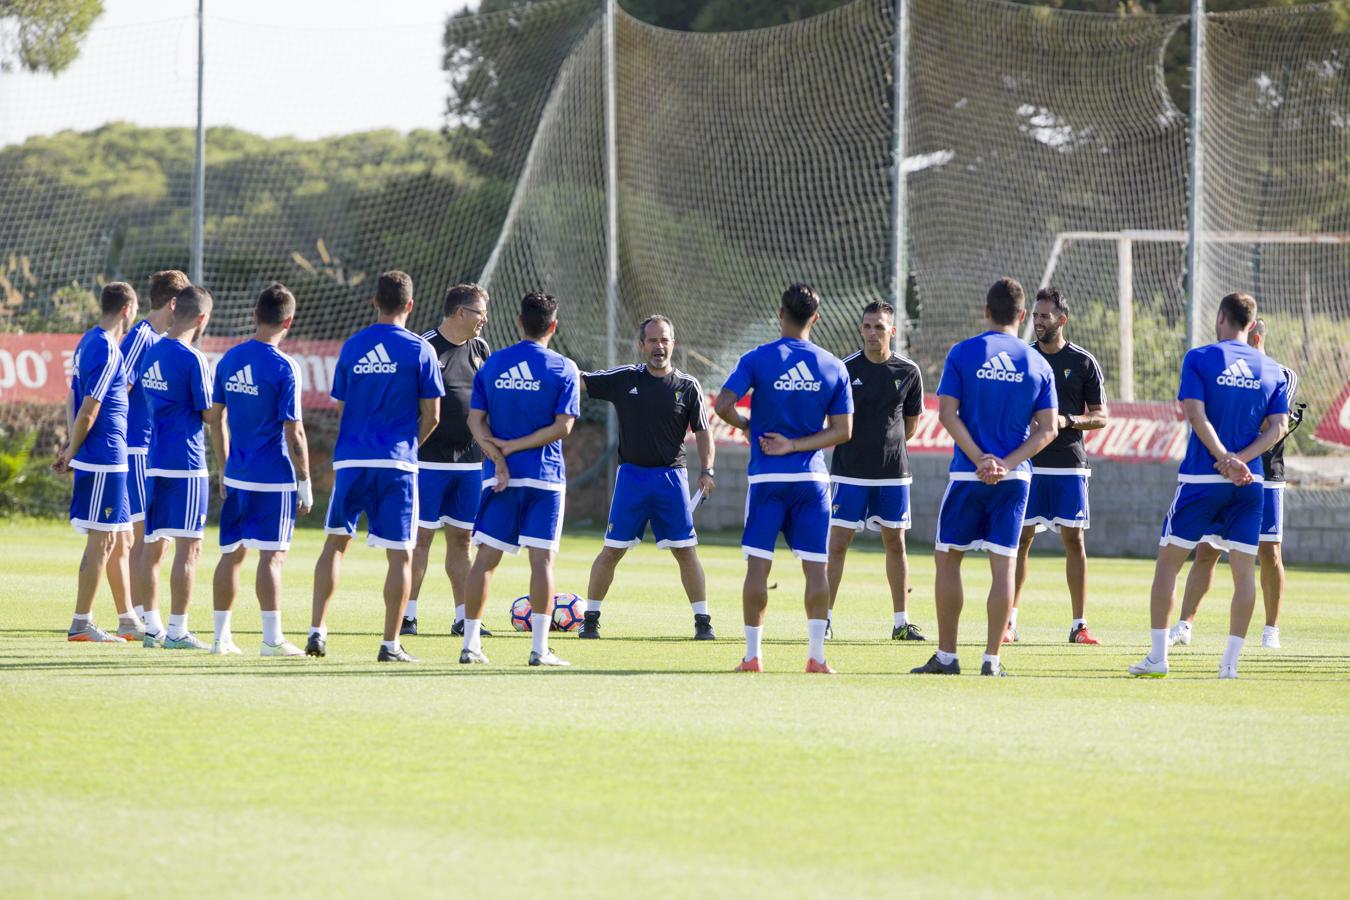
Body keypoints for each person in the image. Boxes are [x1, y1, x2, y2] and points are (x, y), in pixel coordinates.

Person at [1129, 292, 1288, 680]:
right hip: (1250, 482)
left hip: (1203, 477)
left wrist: (1223, 457)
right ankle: (1229, 664)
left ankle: (1158, 657)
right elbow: (1279, 428)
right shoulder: (1271, 369)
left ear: (1220, 317)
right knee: (1244, 572)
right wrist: (1242, 460)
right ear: (1252, 325)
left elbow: (1195, 415)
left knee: (1168, 563)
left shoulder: (1198, 358)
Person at [913, 277, 1058, 677]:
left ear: (986, 311)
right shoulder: (1038, 363)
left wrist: (980, 460)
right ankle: (992, 661)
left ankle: (946, 656)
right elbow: (1048, 430)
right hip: (1014, 480)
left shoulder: (964, 353)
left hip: (967, 474)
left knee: (948, 560)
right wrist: (1006, 464)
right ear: (1023, 316)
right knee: (1004, 566)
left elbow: (946, 414)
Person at [714, 283, 853, 674]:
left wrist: (747, 426)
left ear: (780, 314)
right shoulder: (832, 365)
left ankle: (753, 656)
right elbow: (843, 431)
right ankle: (817, 657)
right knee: (816, 568)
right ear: (816, 318)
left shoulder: (758, 358)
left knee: (758, 568)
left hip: (766, 480)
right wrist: (796, 446)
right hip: (812, 481)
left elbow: (723, 404)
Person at [309, 271, 444, 663]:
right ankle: (390, 644)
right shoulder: (420, 349)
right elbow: (432, 415)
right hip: (397, 463)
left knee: (335, 543)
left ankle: (317, 631)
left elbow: (341, 405)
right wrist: (406, 446)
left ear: (375, 302)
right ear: (410, 305)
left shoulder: (353, 346)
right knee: (401, 553)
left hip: (351, 459)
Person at [458, 291, 580, 668]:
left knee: (485, 560)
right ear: (553, 325)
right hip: (544, 478)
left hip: (498, 478)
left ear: (518, 321)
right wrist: (513, 448)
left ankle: (470, 645)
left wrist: (498, 454)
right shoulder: (564, 368)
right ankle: (539, 649)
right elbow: (564, 427)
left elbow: (474, 421)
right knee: (542, 562)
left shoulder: (493, 364)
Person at [1168, 317, 1303, 651]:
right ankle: (1184, 625)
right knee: (1207, 550)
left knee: (1269, 552)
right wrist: (1228, 459)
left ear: (1255, 337)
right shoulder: (1215, 366)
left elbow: (1268, 425)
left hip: (1264, 475)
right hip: (1222, 469)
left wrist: (1236, 458)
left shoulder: (1281, 374)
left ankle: (1271, 629)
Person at [580, 314, 716, 640]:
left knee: (686, 551)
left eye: (665, 339)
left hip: (672, 479)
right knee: (612, 550)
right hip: (632, 480)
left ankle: (703, 623)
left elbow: (703, 431)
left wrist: (707, 470)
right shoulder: (625, 378)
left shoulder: (687, 386)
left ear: (673, 343)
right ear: (641, 345)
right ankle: (590, 620)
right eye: (653, 340)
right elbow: (580, 379)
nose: (659, 346)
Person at [208, 283, 313, 657]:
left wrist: (223, 467)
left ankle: (220, 638)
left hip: (236, 474)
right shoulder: (286, 366)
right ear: (289, 320)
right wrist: (305, 481)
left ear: (255, 316)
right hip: (273, 477)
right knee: (272, 556)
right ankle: (271, 640)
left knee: (231, 553)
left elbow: (215, 418)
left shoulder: (229, 359)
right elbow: (294, 431)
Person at [1010, 287, 1108, 645]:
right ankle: (1009, 622)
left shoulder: (1083, 362)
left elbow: (1100, 418)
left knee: (1073, 541)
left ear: (1061, 320)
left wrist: (1066, 421)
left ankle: (1079, 624)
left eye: (1045, 316)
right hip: (1028, 464)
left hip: (1068, 465)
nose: (1038, 321)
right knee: (1020, 541)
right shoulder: (1023, 358)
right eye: (1035, 315)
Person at [827, 301, 925, 641]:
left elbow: (910, 425)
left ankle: (900, 623)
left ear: (892, 331)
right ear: (860, 329)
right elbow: (833, 420)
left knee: (895, 544)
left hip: (892, 474)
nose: (872, 333)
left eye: (879, 327)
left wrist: (888, 446)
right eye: (867, 326)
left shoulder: (909, 372)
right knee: (838, 544)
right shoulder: (843, 369)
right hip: (848, 472)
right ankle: (822, 620)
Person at [403, 283, 492, 639]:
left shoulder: (481, 348)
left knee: (461, 542)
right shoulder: (424, 347)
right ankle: (407, 616)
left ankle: (464, 619)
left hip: (469, 464)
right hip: (427, 463)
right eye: (480, 312)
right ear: (460, 313)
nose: (484, 319)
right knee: (420, 540)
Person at [54, 282, 140, 642]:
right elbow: (89, 408)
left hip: (105, 455)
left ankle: (129, 620)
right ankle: (81, 622)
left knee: (122, 537)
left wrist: (70, 444)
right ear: (127, 309)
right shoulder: (105, 348)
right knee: (102, 540)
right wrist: (72, 450)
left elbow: (72, 399)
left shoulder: (87, 340)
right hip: (104, 456)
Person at [134, 285, 218, 650]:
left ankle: (151, 628)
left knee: (152, 546)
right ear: (202, 318)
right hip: (185, 463)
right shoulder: (193, 358)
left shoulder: (150, 352)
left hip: (154, 462)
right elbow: (208, 413)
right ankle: (178, 631)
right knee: (190, 547)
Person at [120, 269, 190, 640]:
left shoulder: (158, 340)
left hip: (150, 449)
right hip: (133, 448)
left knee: (149, 538)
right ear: (174, 303)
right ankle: (137, 618)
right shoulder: (142, 338)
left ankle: (138, 616)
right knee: (141, 537)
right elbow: (119, 387)